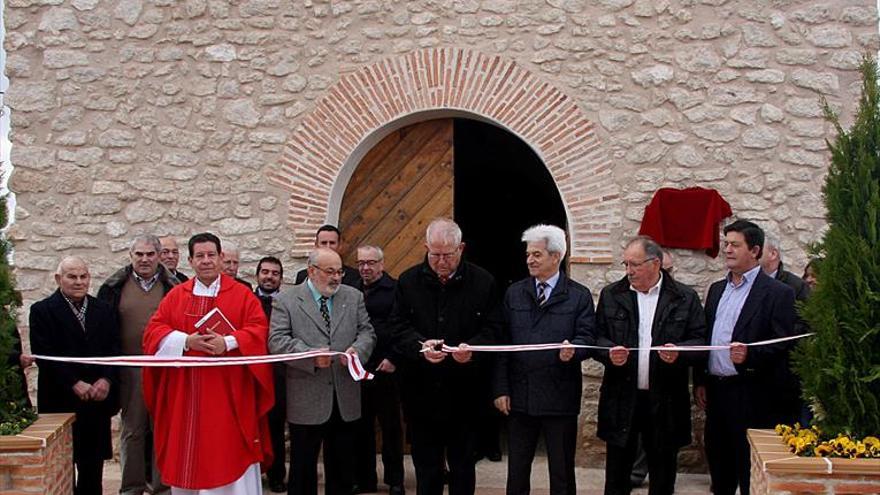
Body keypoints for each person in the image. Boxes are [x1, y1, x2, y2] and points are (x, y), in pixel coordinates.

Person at [142, 233, 274, 494]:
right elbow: (153, 333)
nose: (206, 261)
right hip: (186, 397)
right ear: (190, 261)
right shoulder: (176, 296)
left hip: (230, 396)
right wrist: (185, 341)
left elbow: (259, 329)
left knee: (228, 451)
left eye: (211, 255)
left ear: (221, 258)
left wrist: (229, 342)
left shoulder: (242, 295)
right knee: (187, 456)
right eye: (199, 256)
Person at [389, 218, 503, 495]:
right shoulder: (407, 281)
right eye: (434, 254)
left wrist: (472, 349)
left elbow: (495, 328)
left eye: (447, 255)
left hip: (465, 394)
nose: (441, 261)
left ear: (461, 248)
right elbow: (397, 327)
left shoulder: (483, 281)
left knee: (463, 467)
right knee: (426, 469)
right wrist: (420, 347)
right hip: (421, 394)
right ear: (426, 247)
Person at [594, 236, 706, 495]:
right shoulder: (612, 295)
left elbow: (700, 341)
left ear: (655, 264)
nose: (629, 271)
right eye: (626, 264)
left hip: (665, 399)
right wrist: (609, 353)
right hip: (622, 396)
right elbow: (596, 337)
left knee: (663, 474)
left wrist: (680, 353)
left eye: (635, 264)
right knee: (616, 475)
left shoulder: (684, 297)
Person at [694, 220, 796, 495]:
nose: (727, 249)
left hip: (752, 395)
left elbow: (783, 345)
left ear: (755, 250)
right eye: (726, 243)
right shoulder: (717, 289)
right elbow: (707, 338)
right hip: (717, 392)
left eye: (735, 245)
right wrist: (701, 380)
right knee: (719, 467)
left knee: (749, 472)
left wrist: (750, 355)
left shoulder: (778, 294)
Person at [493, 225, 596, 495]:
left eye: (537, 254)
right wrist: (501, 388)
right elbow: (502, 344)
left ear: (556, 256)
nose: (530, 260)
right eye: (528, 254)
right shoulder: (514, 293)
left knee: (561, 473)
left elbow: (587, 337)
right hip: (520, 395)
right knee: (517, 473)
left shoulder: (578, 295)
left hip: (559, 396)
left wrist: (574, 349)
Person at [268, 248, 376, 495]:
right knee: (303, 469)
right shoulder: (286, 300)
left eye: (339, 271)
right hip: (307, 397)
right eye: (330, 272)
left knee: (342, 469)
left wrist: (357, 351)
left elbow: (367, 332)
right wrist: (311, 357)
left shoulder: (354, 296)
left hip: (344, 396)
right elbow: (277, 341)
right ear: (311, 271)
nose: (336, 277)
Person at [30, 256, 120, 495]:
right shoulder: (42, 311)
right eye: (72, 276)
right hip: (61, 402)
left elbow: (114, 349)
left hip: (96, 403)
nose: (79, 282)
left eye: (83, 276)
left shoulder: (104, 309)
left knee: (92, 471)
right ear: (59, 279)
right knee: (61, 467)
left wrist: (106, 380)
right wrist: (74, 382)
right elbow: (44, 353)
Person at [97, 235, 177, 495]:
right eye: (139, 254)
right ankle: (131, 487)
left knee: (162, 429)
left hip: (165, 368)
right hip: (130, 369)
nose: (144, 259)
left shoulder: (174, 285)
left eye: (150, 254)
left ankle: (162, 487)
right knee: (132, 430)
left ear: (159, 256)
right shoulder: (113, 287)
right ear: (131, 256)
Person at [352, 245, 405, 495]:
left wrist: (393, 357)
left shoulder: (395, 290)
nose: (365, 268)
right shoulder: (351, 289)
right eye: (361, 263)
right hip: (358, 369)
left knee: (391, 427)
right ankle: (366, 480)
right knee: (361, 428)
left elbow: (402, 326)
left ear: (382, 265)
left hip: (386, 369)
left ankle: (395, 480)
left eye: (371, 263)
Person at [760, 234, 812, 426]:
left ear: (773, 254)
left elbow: (805, 323)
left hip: (783, 376)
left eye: (760, 249)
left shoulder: (795, 286)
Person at [253, 256, 289, 493]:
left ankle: (276, 475)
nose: (269, 276)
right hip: (251, 373)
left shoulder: (287, 302)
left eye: (274, 273)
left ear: (281, 278)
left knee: (276, 426)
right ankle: (252, 474)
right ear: (257, 275)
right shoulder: (247, 300)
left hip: (278, 375)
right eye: (265, 272)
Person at [293, 225, 360, 286]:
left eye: (332, 243)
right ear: (316, 245)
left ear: (340, 245)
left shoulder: (354, 277)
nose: (328, 247)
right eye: (324, 243)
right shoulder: (303, 276)